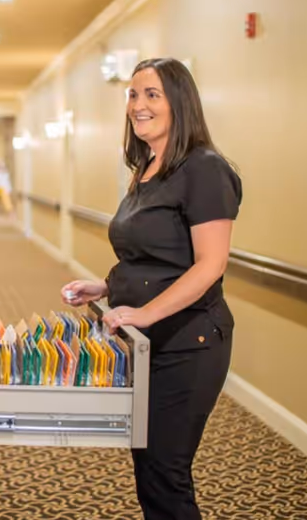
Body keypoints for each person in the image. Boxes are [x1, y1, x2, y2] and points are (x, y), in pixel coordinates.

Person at [62, 58, 241, 520]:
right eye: (133, 94)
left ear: (180, 102)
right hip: (147, 343)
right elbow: (151, 259)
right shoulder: (147, 169)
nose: (138, 105)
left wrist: (143, 313)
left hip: (189, 341)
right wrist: (105, 287)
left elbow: (209, 265)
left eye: (152, 94)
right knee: (150, 466)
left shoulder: (205, 168)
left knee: (166, 473)